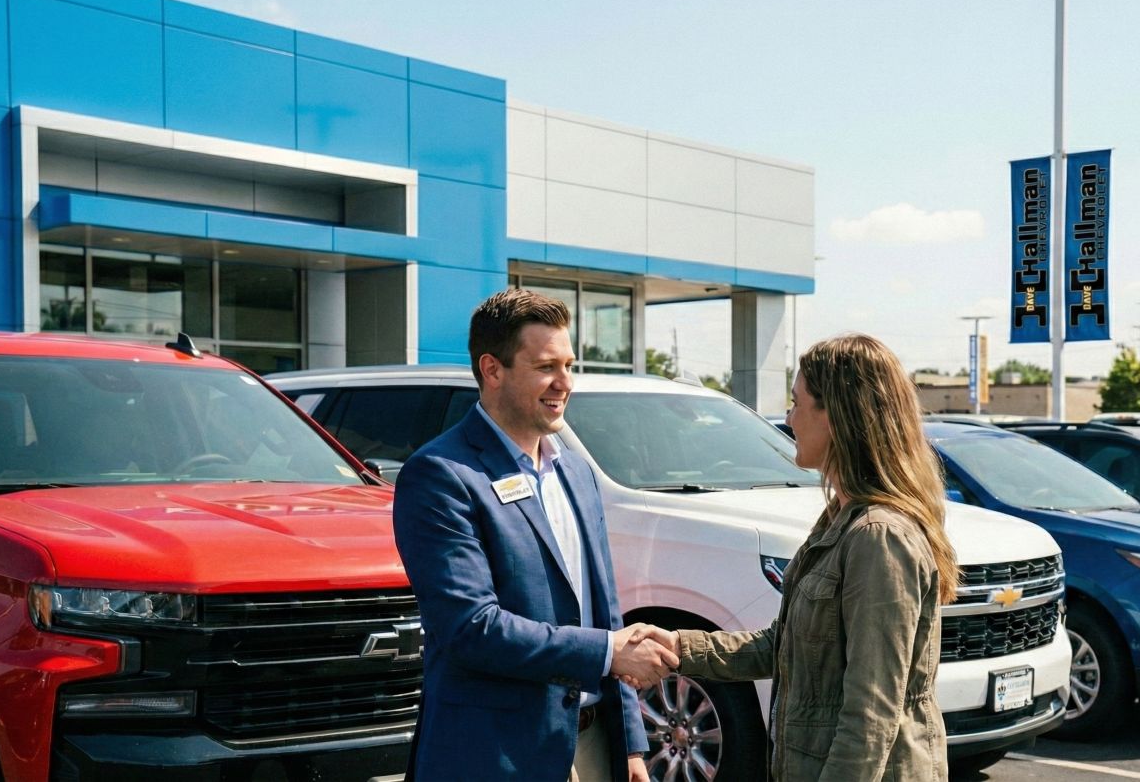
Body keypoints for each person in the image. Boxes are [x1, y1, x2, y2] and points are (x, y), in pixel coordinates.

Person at [639, 333, 959, 780]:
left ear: (838, 417)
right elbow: (781, 646)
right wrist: (677, 646)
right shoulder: (841, 518)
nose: (788, 419)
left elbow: (871, 715)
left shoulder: (879, 537)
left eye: (796, 403)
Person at [393, 289, 676, 781]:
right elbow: (470, 628)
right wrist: (608, 652)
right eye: (546, 367)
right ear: (492, 369)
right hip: (496, 755)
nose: (564, 383)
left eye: (570, 365)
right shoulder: (440, 475)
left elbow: (602, 608)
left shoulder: (578, 473)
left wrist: (630, 743)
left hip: (591, 744)